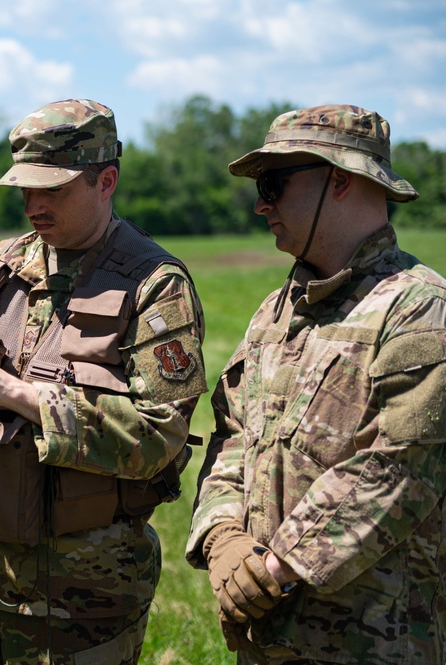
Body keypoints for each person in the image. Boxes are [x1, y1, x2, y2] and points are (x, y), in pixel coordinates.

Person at [0, 99, 207, 664]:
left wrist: (15, 392)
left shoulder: (154, 286)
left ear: (106, 181)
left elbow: (158, 437)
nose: (33, 205)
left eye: (53, 189)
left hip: (87, 592)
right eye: (25, 188)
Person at [186, 104, 446, 664]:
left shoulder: (420, 310)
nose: (261, 205)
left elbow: (400, 468)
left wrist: (274, 570)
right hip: (265, 638)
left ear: (341, 179)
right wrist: (223, 538)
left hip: (373, 641)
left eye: (274, 185)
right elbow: (233, 435)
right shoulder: (275, 313)